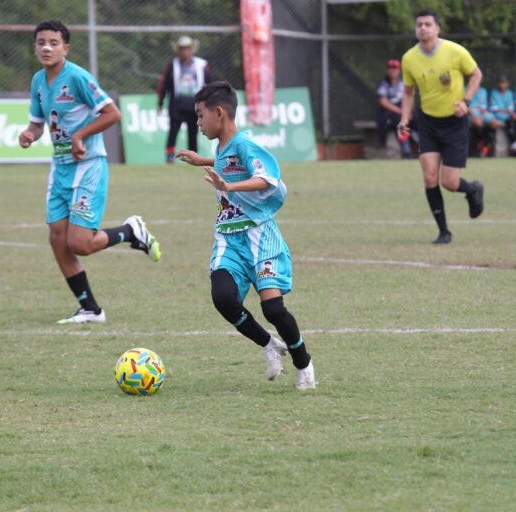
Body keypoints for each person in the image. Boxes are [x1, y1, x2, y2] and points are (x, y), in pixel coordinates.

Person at [176, 81, 316, 390]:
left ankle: (303, 362)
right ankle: (269, 345)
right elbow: (230, 163)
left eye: (200, 116)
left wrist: (229, 187)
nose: (197, 123)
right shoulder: (224, 146)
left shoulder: (245, 143)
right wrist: (206, 161)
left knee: (274, 310)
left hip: (259, 237)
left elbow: (267, 177)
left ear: (220, 113)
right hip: (228, 237)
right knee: (223, 298)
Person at [19, 20, 161, 324]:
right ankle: (90, 309)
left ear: (65, 48)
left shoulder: (78, 78)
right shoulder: (38, 82)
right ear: (34, 47)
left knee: (79, 243)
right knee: (57, 239)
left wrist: (79, 136)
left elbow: (112, 113)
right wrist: (30, 134)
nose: (46, 47)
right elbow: (37, 123)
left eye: (53, 42)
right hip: (59, 169)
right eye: (41, 42)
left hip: (88, 166)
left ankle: (130, 231)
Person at [398, 9, 485, 245]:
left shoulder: (455, 51)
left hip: (455, 122)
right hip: (427, 121)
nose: (423, 28)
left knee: (449, 182)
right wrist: (404, 119)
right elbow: (408, 92)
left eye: (428, 24)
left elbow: (476, 74)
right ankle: (443, 232)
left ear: (438, 29)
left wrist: (466, 102)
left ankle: (473, 189)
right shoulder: (409, 58)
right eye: (419, 25)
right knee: (429, 176)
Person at [157, 35, 212, 164]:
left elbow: (209, 84)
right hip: (177, 105)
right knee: (173, 131)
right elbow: (163, 85)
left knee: (193, 132)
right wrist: (160, 102)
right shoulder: (172, 65)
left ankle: (194, 158)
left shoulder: (201, 65)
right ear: (178, 50)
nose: (184, 51)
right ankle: (170, 156)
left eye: (187, 48)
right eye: (182, 48)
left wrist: (209, 102)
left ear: (191, 49)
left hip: (195, 106)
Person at [376, 58, 412, 158]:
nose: (393, 71)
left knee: (417, 121)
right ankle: (406, 152)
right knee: (398, 123)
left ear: (399, 71)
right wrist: (401, 111)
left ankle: (414, 150)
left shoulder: (403, 83)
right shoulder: (384, 84)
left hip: (403, 112)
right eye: (390, 68)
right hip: (389, 114)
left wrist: (407, 112)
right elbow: (382, 101)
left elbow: (409, 97)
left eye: (395, 68)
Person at [489, 74, 516, 155]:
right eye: (500, 83)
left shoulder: (510, 93)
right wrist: (508, 112)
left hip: (508, 116)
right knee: (509, 120)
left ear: (507, 84)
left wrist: (511, 113)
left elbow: (511, 108)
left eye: (504, 83)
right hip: (497, 116)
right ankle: (515, 143)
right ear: (497, 84)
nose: (502, 85)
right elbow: (495, 109)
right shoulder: (494, 93)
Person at [466, 84, 497, 157]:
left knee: (494, 123)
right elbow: (465, 106)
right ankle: (479, 147)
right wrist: (474, 116)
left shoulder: (483, 91)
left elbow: (484, 108)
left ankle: (486, 147)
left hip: (482, 114)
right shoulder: (466, 89)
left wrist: (481, 117)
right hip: (471, 113)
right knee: (477, 123)